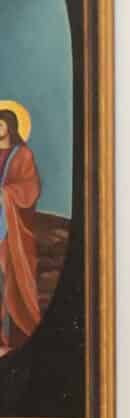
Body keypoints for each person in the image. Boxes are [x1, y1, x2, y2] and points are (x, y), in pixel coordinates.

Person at [0, 106, 41, 356]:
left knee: (8, 278)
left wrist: (5, 194)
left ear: (10, 127)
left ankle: (7, 340)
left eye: (0, 124)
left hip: (10, 229)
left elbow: (30, 188)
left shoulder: (22, 155)